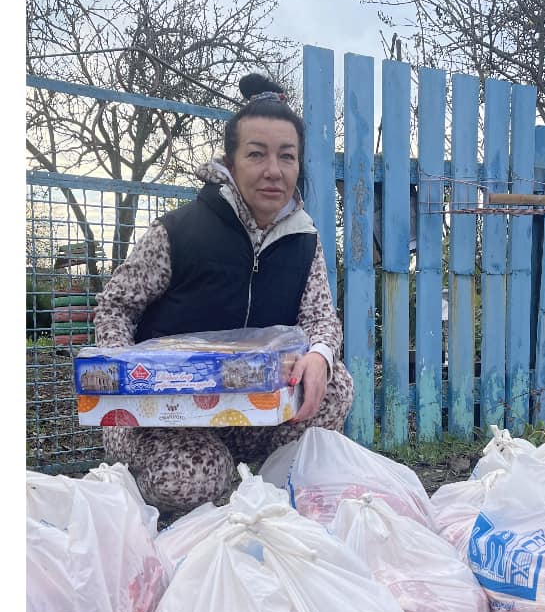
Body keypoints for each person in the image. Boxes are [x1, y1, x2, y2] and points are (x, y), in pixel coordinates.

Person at [94, 73, 354, 514]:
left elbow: (321, 318)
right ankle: (218, 489)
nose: (274, 170)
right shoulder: (180, 233)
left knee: (335, 383)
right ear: (230, 164)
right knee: (191, 479)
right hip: (170, 415)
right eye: (257, 154)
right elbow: (117, 306)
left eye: (287, 156)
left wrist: (320, 355)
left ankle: (263, 490)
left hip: (253, 412)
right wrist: (124, 377)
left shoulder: (303, 240)